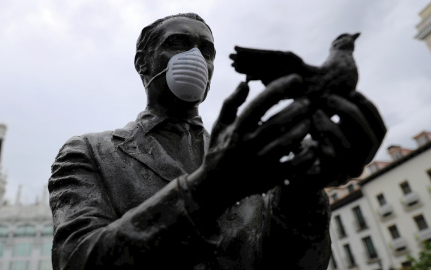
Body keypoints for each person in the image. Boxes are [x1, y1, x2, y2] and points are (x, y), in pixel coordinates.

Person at [48, 13, 386, 270]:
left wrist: (303, 192)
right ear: (142, 63)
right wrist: (209, 188)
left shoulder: (254, 158)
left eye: (206, 50)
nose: (196, 57)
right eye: (178, 43)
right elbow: (76, 260)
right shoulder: (89, 152)